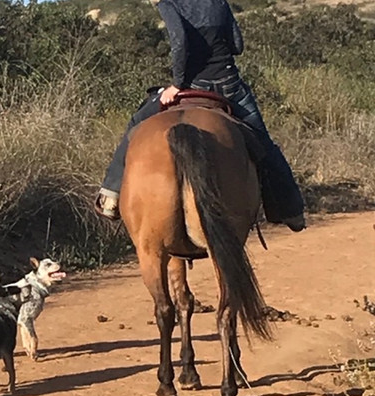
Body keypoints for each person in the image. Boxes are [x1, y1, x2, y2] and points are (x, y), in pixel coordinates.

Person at [95, 0, 306, 232]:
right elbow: (237, 44)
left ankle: (111, 195)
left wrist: (176, 85)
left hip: (192, 84)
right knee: (263, 143)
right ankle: (291, 209)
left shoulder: (170, 3)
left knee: (136, 125)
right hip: (229, 85)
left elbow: (180, 41)